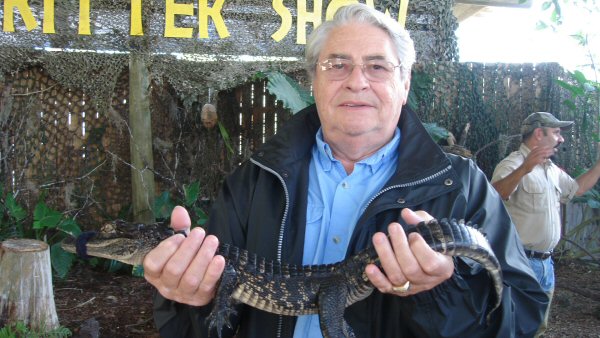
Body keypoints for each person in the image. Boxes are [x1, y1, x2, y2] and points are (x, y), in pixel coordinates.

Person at [144, 4, 547, 337]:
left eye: (378, 66)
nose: (357, 81)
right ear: (313, 82)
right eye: (336, 65)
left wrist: (442, 290)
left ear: (404, 84)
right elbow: (199, 326)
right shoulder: (253, 181)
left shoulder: (461, 186)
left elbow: (521, 318)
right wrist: (188, 298)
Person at [491, 111, 600, 336]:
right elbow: (494, 195)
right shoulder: (513, 163)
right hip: (520, 262)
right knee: (514, 326)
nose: (562, 138)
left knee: (538, 327)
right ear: (539, 133)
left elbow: (576, 189)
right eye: (557, 132)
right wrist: (524, 169)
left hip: (546, 264)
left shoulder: (550, 168)